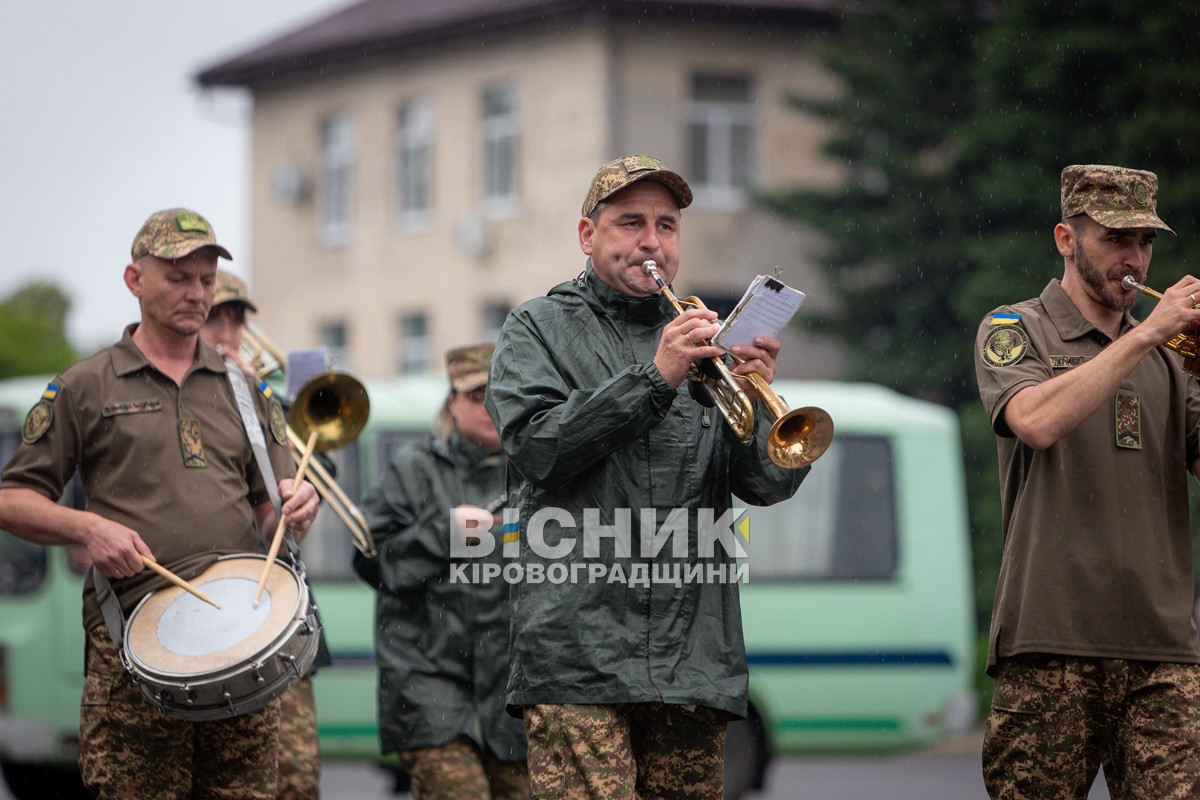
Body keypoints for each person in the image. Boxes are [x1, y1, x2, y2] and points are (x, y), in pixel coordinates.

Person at [483, 154, 808, 799]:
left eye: (666, 225)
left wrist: (759, 410)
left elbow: (764, 488)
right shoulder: (536, 327)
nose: (651, 242)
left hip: (693, 660)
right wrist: (655, 379)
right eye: (630, 223)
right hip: (578, 657)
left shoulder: (703, 336)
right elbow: (538, 448)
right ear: (587, 235)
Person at [0, 207, 319, 799]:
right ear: (134, 279)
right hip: (133, 647)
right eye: (178, 277)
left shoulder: (247, 389)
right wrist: (89, 529)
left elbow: (274, 509)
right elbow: (12, 500)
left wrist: (297, 506)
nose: (197, 293)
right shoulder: (85, 385)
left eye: (205, 279)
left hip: (239, 644)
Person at [974, 165, 1200, 799]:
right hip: (1050, 642)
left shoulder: (1176, 355)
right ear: (1066, 240)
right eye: (1115, 240)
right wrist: (1151, 335)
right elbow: (1036, 421)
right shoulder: (1013, 329)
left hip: (1163, 651)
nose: (1134, 260)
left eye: (1146, 243)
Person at [354, 343, 529, 800]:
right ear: (451, 401)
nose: (489, 407)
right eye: (475, 396)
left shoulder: (535, 471)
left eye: (500, 395)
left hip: (511, 692)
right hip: (428, 681)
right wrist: (448, 532)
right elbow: (372, 560)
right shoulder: (413, 470)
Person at [201, 269, 329, 800]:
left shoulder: (263, 394)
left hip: (276, 615)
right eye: (215, 320)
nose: (227, 335)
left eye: (235, 322)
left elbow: (322, 477)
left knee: (296, 781)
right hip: (210, 617)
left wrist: (268, 400)